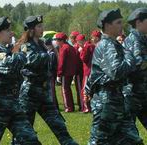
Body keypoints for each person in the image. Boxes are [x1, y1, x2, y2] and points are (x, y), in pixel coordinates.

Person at [13, 15, 78, 145]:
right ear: (31, 30)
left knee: (60, 127)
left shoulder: (41, 44)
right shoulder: (25, 45)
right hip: (29, 93)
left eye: (42, 25)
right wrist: (49, 54)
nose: (42, 28)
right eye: (39, 26)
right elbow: (32, 60)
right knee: (24, 132)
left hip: (44, 92)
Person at [85, 9, 143, 145]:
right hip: (106, 102)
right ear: (108, 25)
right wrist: (130, 56)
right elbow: (116, 72)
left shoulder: (114, 44)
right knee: (99, 140)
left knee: (133, 140)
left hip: (117, 99)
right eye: (118, 23)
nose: (121, 26)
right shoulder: (106, 45)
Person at [0, 17, 41, 145]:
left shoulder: (8, 50)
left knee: (30, 139)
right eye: (8, 30)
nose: (11, 33)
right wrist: (22, 53)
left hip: (13, 103)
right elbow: (10, 65)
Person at [123, 8, 147, 128]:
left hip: (142, 92)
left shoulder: (143, 38)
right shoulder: (134, 40)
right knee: (129, 133)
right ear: (138, 22)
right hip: (133, 93)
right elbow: (138, 63)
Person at [54, 32, 78, 112]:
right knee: (67, 89)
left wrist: (59, 74)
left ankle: (68, 107)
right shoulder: (70, 47)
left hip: (65, 72)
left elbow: (61, 62)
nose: (56, 42)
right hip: (71, 72)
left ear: (61, 40)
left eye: (57, 40)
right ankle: (71, 106)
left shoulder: (63, 48)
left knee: (65, 89)